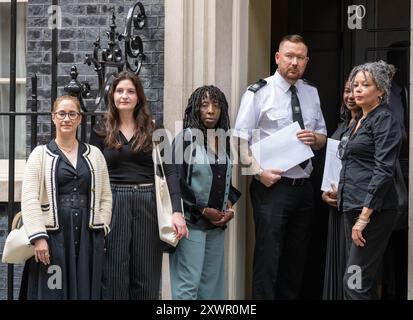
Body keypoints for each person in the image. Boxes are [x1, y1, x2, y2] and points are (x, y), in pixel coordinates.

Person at [233, 34, 327, 299]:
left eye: (300, 57)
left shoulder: (311, 92)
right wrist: (258, 173)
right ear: (277, 58)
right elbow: (239, 141)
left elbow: (322, 136)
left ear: (306, 61)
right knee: (268, 259)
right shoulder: (259, 92)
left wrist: (316, 138)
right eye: (289, 56)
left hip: (303, 189)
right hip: (272, 188)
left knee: (296, 262)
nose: (294, 62)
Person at [89, 71, 188, 300]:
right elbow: (92, 173)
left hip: (148, 200)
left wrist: (177, 211)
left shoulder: (155, 128)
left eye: (131, 91)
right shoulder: (100, 130)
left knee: (146, 274)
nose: (125, 96)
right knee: (114, 273)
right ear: (112, 96)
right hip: (114, 202)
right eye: (120, 91)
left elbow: (171, 170)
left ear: (139, 97)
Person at [19, 95, 112, 300]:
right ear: (53, 117)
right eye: (61, 114)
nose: (66, 119)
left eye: (72, 114)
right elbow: (29, 198)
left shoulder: (94, 154)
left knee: (86, 290)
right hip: (54, 236)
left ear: (79, 119)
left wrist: (102, 226)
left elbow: (106, 196)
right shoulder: (40, 154)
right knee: (54, 288)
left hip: (88, 236)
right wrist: (39, 237)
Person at [337, 60, 402, 300]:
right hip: (351, 205)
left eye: (366, 84)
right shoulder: (358, 121)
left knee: (354, 281)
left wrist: (364, 217)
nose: (358, 89)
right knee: (362, 278)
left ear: (381, 90)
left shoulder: (384, 119)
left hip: (371, 211)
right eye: (355, 85)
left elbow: (384, 170)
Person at [169, 85, 240, 300]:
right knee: (187, 286)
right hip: (191, 224)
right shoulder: (185, 138)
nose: (211, 110)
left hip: (216, 226)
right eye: (204, 105)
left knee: (212, 290)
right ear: (195, 109)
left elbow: (221, 177)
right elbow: (175, 181)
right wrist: (202, 209)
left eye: (216, 105)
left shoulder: (223, 139)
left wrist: (228, 204)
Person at [321, 80, 361, 300]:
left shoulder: (370, 126)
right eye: (347, 90)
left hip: (356, 209)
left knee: (356, 268)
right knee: (339, 264)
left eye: (357, 89)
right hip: (335, 209)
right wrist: (326, 193)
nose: (351, 95)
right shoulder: (342, 126)